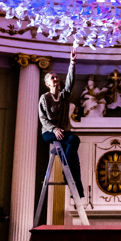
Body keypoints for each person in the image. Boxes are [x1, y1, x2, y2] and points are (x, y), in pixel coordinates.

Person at [39, 46, 84, 196]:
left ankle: (77, 190)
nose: (56, 79)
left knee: (75, 160)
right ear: (47, 84)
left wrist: (72, 62)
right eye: (52, 78)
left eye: (57, 77)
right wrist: (54, 129)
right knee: (74, 139)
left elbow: (70, 81)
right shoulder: (44, 98)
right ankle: (65, 168)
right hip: (49, 132)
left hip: (63, 132)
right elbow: (43, 118)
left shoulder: (64, 96)